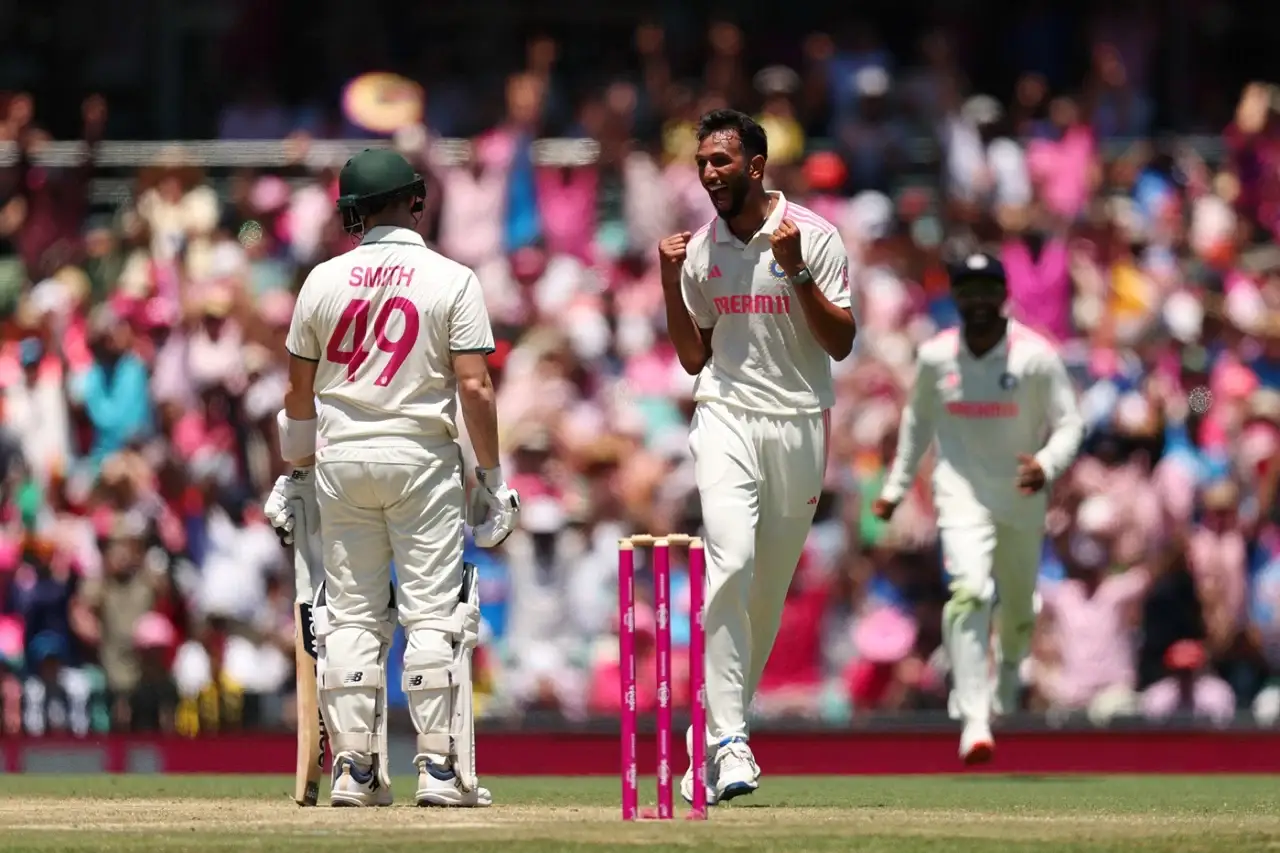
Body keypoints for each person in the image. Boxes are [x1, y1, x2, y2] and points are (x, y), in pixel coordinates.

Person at [263, 148, 519, 807]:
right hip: (419, 459)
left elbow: (296, 394)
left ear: (352, 210)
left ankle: (354, 768)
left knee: (349, 615)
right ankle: (436, 770)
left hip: (341, 459)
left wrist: (294, 472)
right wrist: (489, 474)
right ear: (416, 199)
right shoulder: (452, 279)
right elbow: (475, 386)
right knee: (433, 611)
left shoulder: (320, 280)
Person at [660, 109, 856, 803]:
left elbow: (840, 343)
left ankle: (704, 746)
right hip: (726, 417)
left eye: (720, 161)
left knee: (764, 597)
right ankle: (730, 739)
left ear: (755, 165)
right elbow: (693, 358)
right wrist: (668, 279)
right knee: (730, 561)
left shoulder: (814, 236)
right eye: (702, 161)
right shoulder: (703, 251)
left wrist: (797, 270)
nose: (708, 173)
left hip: (800, 422)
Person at [873, 252, 1084, 764]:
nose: (978, 302)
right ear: (956, 297)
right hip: (960, 494)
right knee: (968, 594)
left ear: (1003, 294)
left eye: (987, 290)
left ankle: (1009, 672)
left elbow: (1070, 424)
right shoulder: (936, 357)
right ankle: (973, 718)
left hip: (1019, 497)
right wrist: (896, 487)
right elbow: (917, 426)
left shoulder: (1034, 356)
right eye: (967, 291)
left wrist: (1048, 464)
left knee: (1015, 612)